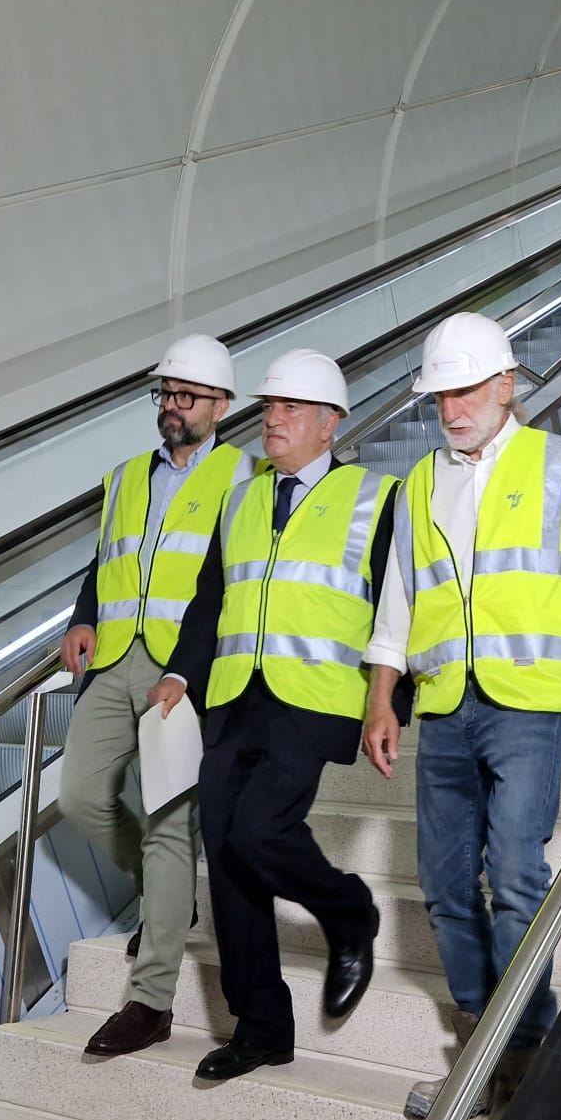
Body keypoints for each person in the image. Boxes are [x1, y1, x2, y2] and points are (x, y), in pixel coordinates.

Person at [362, 312, 561, 1119]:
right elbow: (398, 607)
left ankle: (530, 1048)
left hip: (533, 701)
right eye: (441, 396)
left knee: (513, 869)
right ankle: (483, 1046)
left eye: (467, 389)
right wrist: (378, 699)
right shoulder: (417, 488)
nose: (453, 408)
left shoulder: (560, 464)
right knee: (441, 883)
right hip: (444, 703)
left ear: (506, 385)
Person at [152, 349, 398, 1079]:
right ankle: (261, 1028)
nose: (274, 420)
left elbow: (399, 604)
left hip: (315, 697)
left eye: (290, 409)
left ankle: (347, 907)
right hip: (234, 696)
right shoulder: (241, 499)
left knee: (261, 829)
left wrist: (391, 698)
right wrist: (178, 674)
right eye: (269, 408)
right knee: (225, 851)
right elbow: (209, 601)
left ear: (330, 424)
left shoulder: (374, 497)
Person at [58, 335, 256, 1057]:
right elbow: (104, 560)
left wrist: (193, 673)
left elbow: (233, 586)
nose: (173, 408)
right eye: (166, 395)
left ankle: (152, 1001)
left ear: (222, 406)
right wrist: (83, 619)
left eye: (188, 397)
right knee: (81, 796)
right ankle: (167, 900)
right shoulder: (125, 477)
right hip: (115, 660)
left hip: (185, 670)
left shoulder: (246, 477)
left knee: (172, 825)